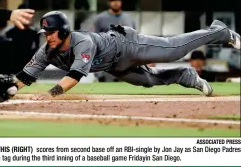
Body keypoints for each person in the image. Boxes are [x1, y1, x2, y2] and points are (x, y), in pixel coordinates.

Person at [14, 11, 240, 100]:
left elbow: (74, 76)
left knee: (174, 50)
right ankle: (184, 76)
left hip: (126, 45)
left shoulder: (81, 40)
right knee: (148, 81)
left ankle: (218, 31)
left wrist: (51, 93)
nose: (48, 37)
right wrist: (3, 91)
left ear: (63, 31)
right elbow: (24, 76)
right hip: (114, 65)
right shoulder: (46, 51)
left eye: (51, 33)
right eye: (45, 33)